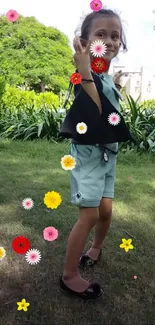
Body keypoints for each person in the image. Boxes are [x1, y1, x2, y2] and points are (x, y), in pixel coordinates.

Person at [59, 9, 135, 300]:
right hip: (89, 157)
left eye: (115, 36)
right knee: (89, 215)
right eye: (100, 34)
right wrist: (85, 67)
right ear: (84, 42)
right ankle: (69, 276)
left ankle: (96, 248)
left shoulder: (103, 77)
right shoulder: (82, 74)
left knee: (105, 211)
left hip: (108, 155)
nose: (110, 40)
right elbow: (97, 113)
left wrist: (112, 83)